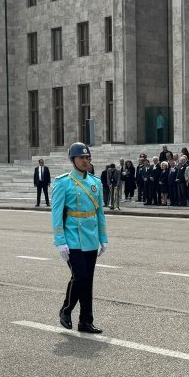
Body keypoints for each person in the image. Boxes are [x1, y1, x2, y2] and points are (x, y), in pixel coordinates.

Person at [52, 142, 107, 333]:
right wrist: (60, 241)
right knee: (80, 276)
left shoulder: (96, 183)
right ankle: (66, 310)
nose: (85, 161)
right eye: (82, 157)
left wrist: (103, 238)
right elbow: (57, 214)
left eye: (88, 157)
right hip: (72, 238)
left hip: (91, 238)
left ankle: (86, 321)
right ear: (73, 160)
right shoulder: (63, 182)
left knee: (87, 280)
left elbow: (99, 213)